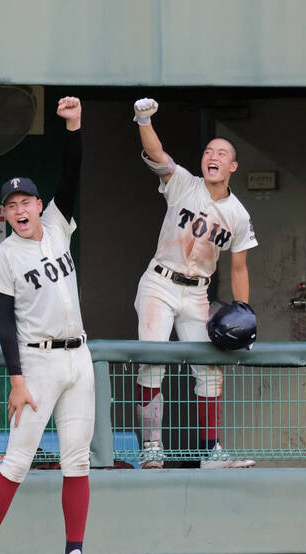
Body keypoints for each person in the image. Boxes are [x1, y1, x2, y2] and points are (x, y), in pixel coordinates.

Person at [0, 97, 96, 554]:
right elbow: (3, 323)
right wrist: (16, 380)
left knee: (77, 459)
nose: (20, 209)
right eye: (11, 205)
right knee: (17, 460)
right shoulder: (2, 256)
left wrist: (74, 126)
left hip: (79, 356)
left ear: (41, 205)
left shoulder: (58, 225)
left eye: (26, 202)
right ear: (6, 213)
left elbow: (73, 172)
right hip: (37, 363)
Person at [129, 98, 258, 470]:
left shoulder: (238, 214)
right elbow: (158, 154)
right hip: (159, 282)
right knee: (152, 363)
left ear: (232, 166)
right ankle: (152, 447)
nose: (212, 156)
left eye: (221, 153)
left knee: (208, 369)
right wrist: (144, 119)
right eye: (207, 151)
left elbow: (238, 268)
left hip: (197, 290)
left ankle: (211, 451)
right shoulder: (185, 182)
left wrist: (244, 313)